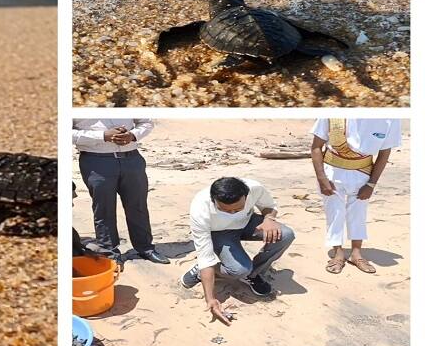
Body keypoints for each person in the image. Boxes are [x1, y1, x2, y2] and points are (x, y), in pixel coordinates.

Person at [180, 177, 295, 325]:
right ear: (213, 200)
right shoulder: (200, 209)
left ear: (246, 197)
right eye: (225, 210)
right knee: (239, 270)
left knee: (286, 234)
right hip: (220, 232)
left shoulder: (254, 187)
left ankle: (254, 274)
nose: (232, 213)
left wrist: (269, 220)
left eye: (237, 209)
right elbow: (205, 256)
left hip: (248, 223)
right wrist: (210, 299)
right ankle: (207, 270)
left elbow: (269, 206)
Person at [310, 118, 401, 274]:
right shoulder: (334, 114)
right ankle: (338, 252)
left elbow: (384, 154)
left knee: (358, 213)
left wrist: (371, 184)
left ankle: (356, 253)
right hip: (332, 172)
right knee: (335, 212)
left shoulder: (390, 118)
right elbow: (316, 147)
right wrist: (322, 178)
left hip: (363, 174)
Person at [72, 119, 169, 264]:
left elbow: (146, 122)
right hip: (96, 162)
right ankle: (110, 253)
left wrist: (133, 135)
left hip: (132, 159)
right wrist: (103, 136)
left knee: (138, 206)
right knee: (103, 209)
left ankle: (146, 248)